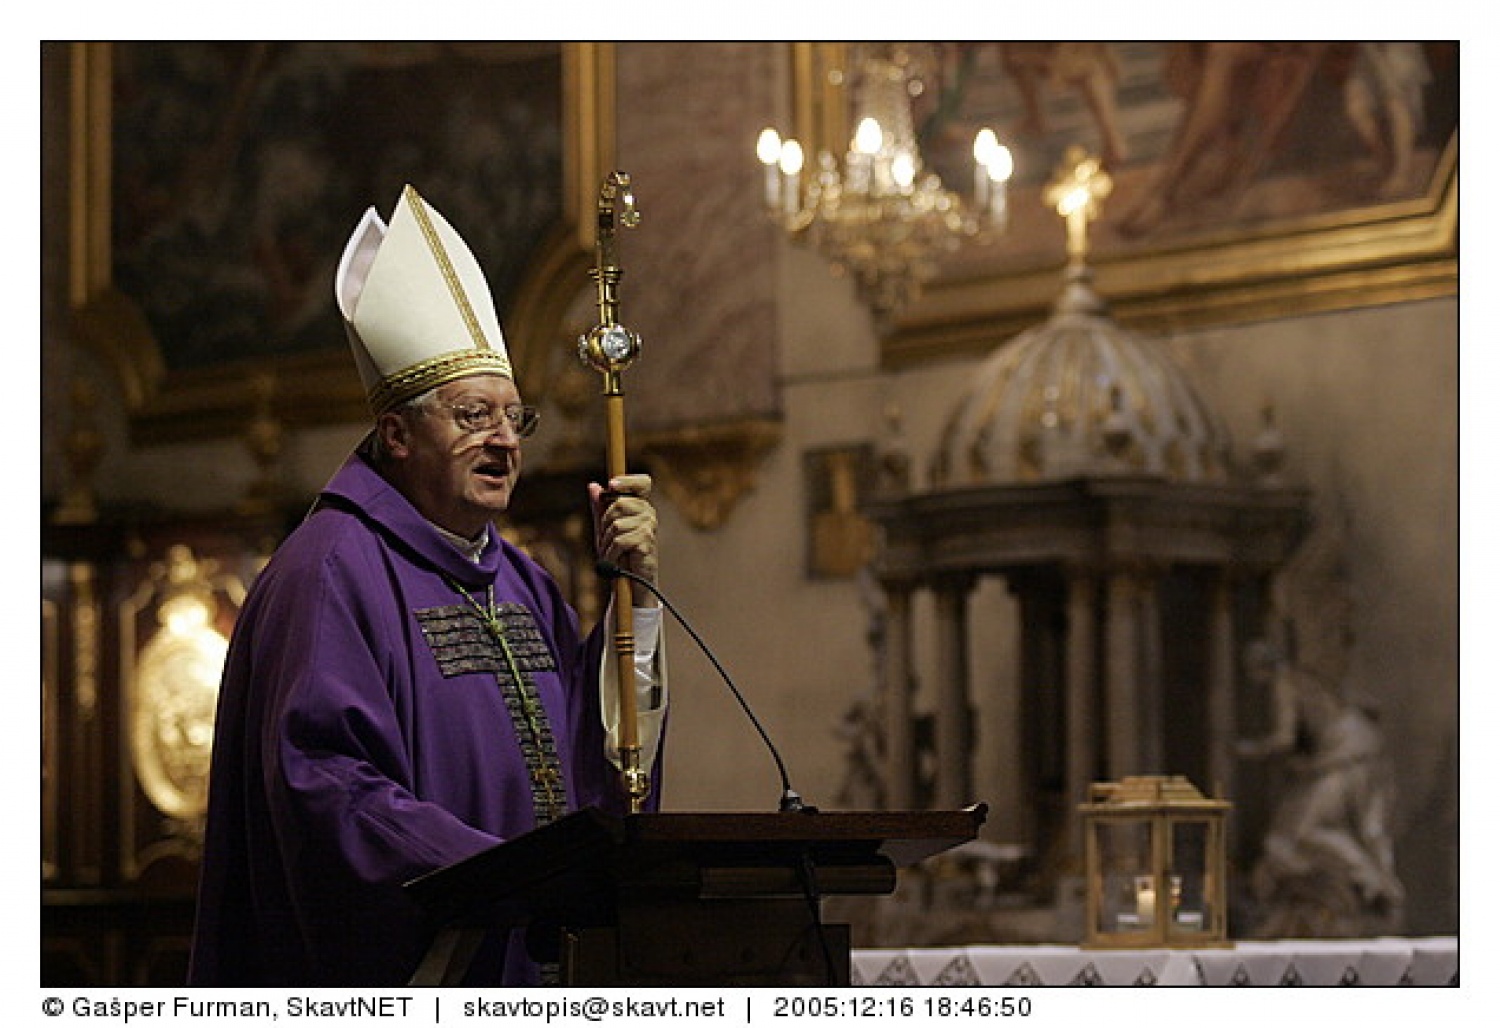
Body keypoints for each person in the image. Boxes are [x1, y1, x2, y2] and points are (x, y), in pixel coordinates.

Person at [188, 184, 667, 986]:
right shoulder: (329, 572)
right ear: (396, 434)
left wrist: (636, 600)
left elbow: (607, 768)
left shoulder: (522, 580)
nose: (505, 442)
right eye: (474, 416)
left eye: (516, 419)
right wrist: (509, 878)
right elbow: (325, 788)